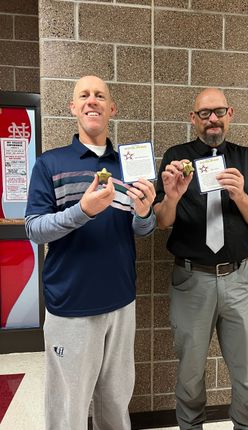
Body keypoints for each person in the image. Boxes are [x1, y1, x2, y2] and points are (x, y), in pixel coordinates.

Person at [25, 75, 156, 430]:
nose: (92, 101)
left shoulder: (130, 167)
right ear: (73, 108)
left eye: (100, 95)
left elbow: (142, 230)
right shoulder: (50, 164)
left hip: (120, 303)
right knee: (69, 407)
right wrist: (82, 210)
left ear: (111, 108)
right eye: (84, 95)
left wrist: (145, 213)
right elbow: (34, 229)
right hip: (71, 305)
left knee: (115, 402)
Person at [153, 88, 248, 430]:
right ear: (194, 119)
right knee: (190, 376)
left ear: (229, 114)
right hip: (192, 281)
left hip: (239, 282)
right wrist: (172, 196)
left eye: (218, 111)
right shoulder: (177, 157)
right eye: (204, 114)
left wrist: (239, 195)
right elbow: (162, 222)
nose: (212, 119)